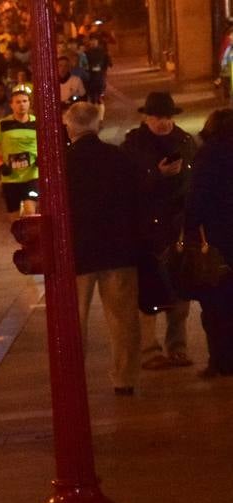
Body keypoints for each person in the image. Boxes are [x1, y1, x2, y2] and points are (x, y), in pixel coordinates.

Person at [64, 102, 145, 396]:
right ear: (97, 124)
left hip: (78, 251)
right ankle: (125, 378)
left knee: (74, 320)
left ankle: (73, 379)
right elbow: (137, 199)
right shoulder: (118, 157)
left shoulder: (63, 163)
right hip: (118, 250)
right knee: (123, 319)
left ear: (70, 127)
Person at [122, 92, 198, 369]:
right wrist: (157, 175)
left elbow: (195, 179)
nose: (164, 123)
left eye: (167, 117)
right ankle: (149, 350)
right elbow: (127, 188)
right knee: (150, 294)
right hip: (148, 231)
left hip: (179, 228)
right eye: (158, 118)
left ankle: (178, 347)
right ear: (147, 117)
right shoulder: (133, 145)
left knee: (181, 293)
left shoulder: (185, 141)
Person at [186, 109, 233, 377]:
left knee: (217, 304)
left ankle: (221, 360)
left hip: (219, 238)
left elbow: (197, 197)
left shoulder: (209, 153)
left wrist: (190, 227)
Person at [0, 89, 40, 217]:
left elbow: (44, 144)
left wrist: (41, 158)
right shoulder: (3, 124)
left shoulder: (36, 123)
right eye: (18, 102)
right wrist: (1, 165)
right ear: (11, 105)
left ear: (29, 103)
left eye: (25, 101)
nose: (22, 104)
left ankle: (32, 236)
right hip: (11, 177)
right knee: (14, 217)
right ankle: (22, 237)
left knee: (30, 211)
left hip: (32, 175)